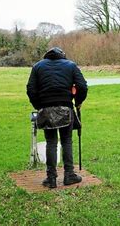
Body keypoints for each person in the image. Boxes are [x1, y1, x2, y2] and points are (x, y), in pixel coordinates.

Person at [26, 47, 88, 188]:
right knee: (66, 141)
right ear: (62, 56)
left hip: (46, 109)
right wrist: (77, 102)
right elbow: (82, 87)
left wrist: (38, 105)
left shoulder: (37, 66)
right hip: (65, 108)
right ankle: (69, 175)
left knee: (51, 142)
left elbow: (30, 89)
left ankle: (51, 178)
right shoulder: (71, 65)